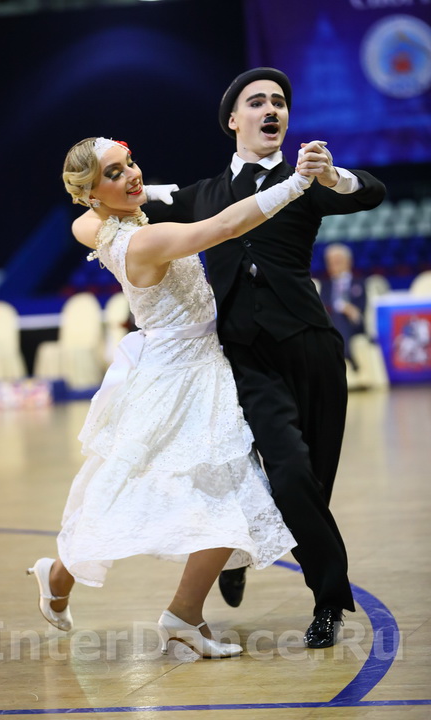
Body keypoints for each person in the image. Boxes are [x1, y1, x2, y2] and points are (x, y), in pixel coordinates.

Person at [74, 68, 386, 649]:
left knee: (314, 484)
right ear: (233, 120)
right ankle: (328, 602)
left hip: (311, 347)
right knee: (288, 474)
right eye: (257, 101)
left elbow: (371, 192)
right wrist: (136, 194)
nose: (272, 109)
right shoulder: (202, 194)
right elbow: (94, 219)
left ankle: (237, 554)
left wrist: (333, 175)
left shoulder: (306, 179)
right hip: (245, 357)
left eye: (279, 102)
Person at [27, 135, 320, 659]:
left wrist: (141, 194)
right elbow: (223, 227)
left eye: (130, 163)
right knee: (210, 493)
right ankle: (168, 610)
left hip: (187, 364)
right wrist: (295, 185)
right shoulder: (144, 240)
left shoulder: (97, 226)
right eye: (114, 173)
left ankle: (131, 598)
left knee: (183, 491)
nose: (131, 174)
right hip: (181, 376)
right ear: (91, 192)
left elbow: (79, 223)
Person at [320, 243, 367, 370]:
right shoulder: (325, 285)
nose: (333, 265)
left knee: (340, 317)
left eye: (338, 261)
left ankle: (342, 355)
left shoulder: (360, 283)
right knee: (335, 317)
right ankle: (347, 355)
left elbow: (363, 308)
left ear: (348, 261)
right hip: (331, 321)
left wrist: (351, 311)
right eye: (330, 262)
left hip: (353, 322)